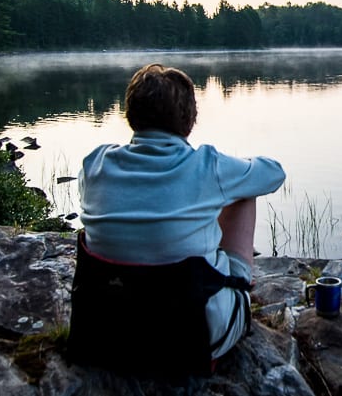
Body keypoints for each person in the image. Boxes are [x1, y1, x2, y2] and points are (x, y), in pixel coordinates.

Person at [78, 63, 285, 359]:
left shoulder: (95, 163)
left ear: (131, 115)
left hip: (106, 330)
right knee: (244, 193)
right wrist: (233, 172)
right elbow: (274, 173)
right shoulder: (208, 165)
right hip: (191, 337)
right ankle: (236, 283)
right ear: (189, 120)